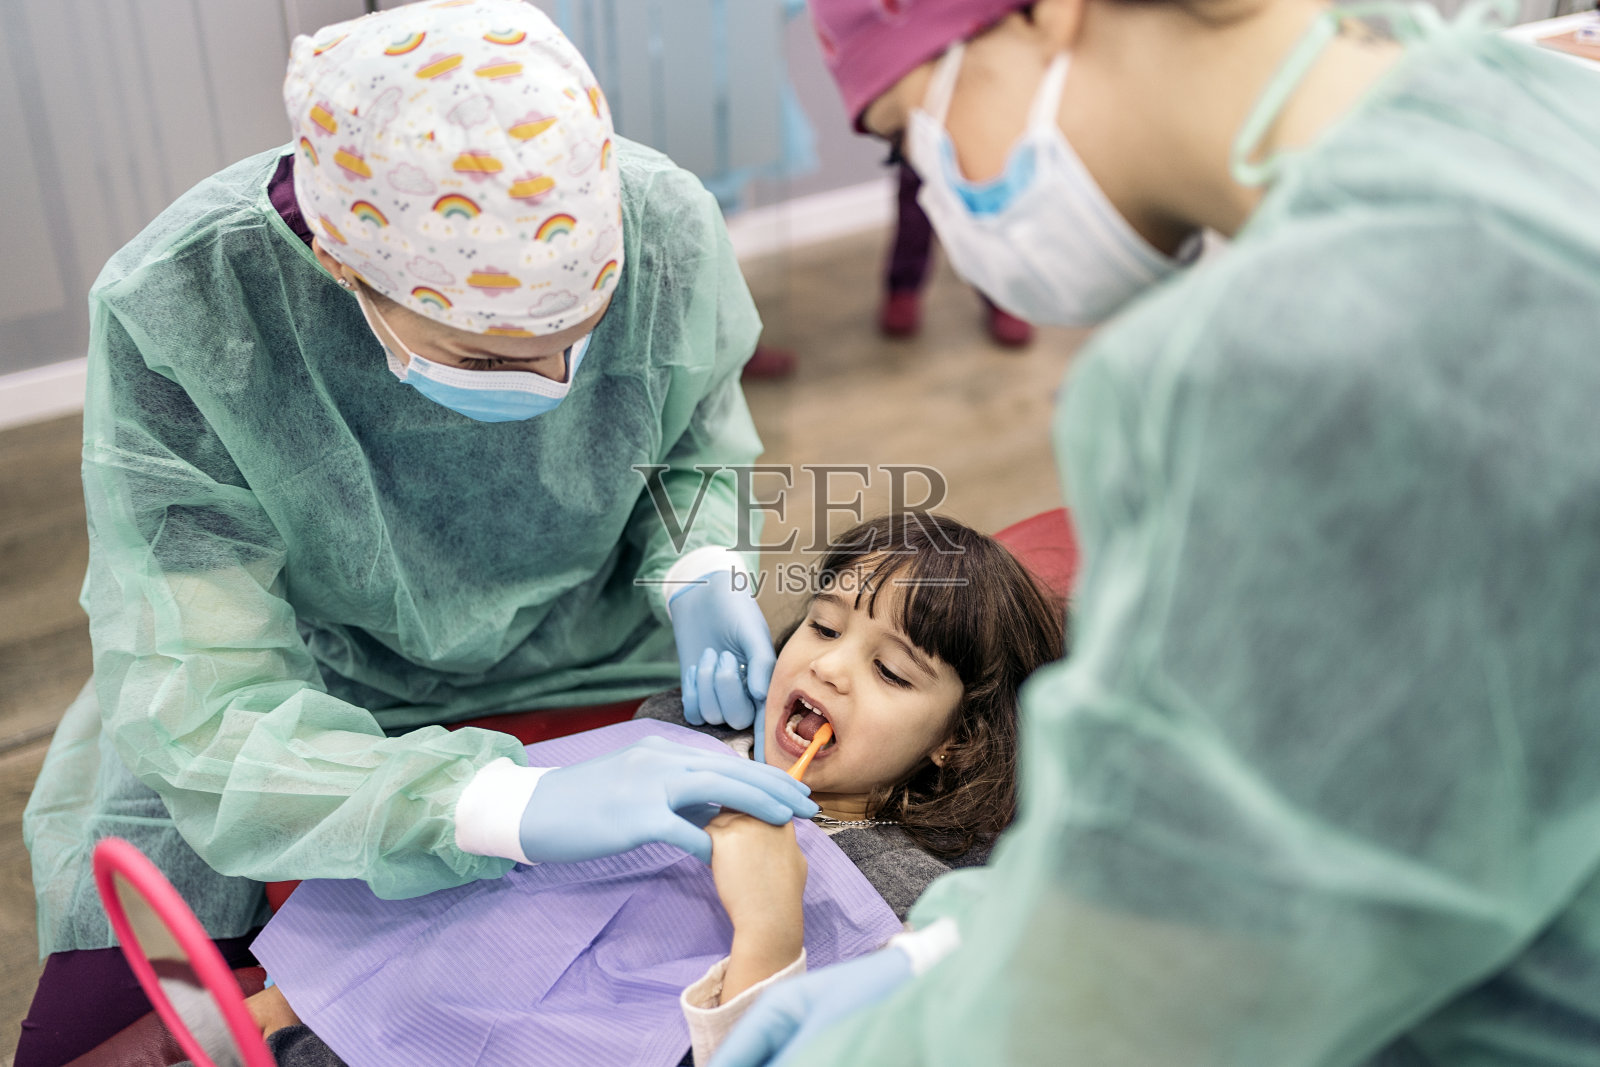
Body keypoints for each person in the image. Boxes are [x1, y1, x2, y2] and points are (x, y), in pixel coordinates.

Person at [715, 0, 1600, 1063]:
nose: (940, 190)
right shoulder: (1531, 108)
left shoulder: (1293, 361)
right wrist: (951, 944)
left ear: (1049, 17)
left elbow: (1166, 968)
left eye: (914, 128)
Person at [15, 4, 821, 1064]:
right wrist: (490, 805)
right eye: (484, 358)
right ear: (344, 267)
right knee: (91, 1022)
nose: (550, 387)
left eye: (579, 342)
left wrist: (702, 562)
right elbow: (204, 704)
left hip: (594, 636)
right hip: (307, 687)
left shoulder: (661, 219)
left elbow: (697, 434)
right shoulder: (187, 305)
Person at [195, 512, 1066, 1066]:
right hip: (358, 1012)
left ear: (957, 741)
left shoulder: (916, 904)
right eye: (825, 624)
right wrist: (302, 994)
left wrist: (770, 931)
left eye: (889, 671)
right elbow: (473, 872)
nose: (830, 665)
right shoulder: (676, 732)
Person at [880, 161, 1034, 348]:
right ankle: (903, 287)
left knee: (988, 193)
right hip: (917, 137)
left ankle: (1002, 295)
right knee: (915, 203)